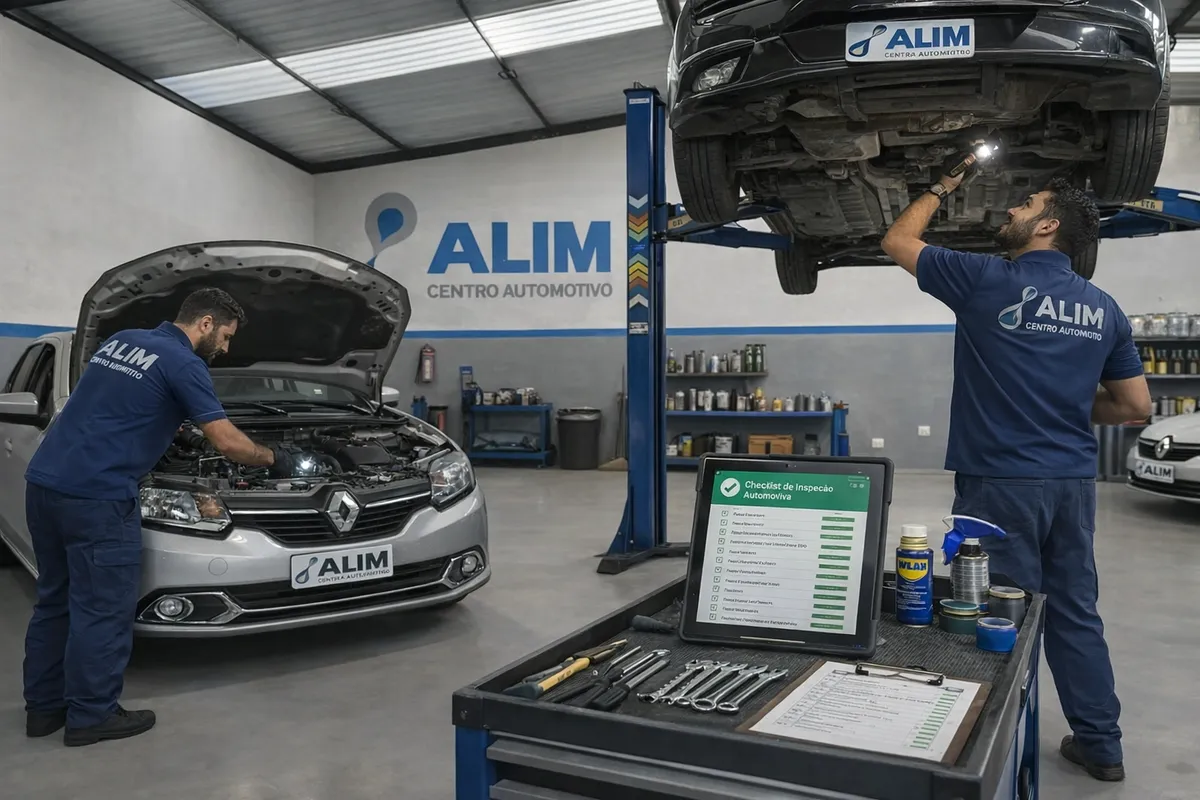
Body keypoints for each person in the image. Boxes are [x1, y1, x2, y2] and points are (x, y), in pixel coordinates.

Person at [881, 172, 1151, 782]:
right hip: (1071, 485)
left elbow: (898, 241)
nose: (1011, 208)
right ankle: (1101, 746)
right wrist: (1061, 407)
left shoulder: (986, 279)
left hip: (999, 482)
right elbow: (1135, 407)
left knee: (998, 611)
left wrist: (939, 187)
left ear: (1048, 225)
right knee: (1075, 611)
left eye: (1025, 204)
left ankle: (990, 757)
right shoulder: (1103, 307)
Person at [21, 287, 294, 747]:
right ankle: (92, 716)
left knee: (55, 601)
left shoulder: (122, 340)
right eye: (225, 337)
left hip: (46, 484)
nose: (225, 349)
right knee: (101, 610)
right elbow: (227, 442)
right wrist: (272, 458)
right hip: (99, 498)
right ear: (205, 324)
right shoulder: (185, 362)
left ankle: (43, 711)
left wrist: (170, 432)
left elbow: (120, 408)